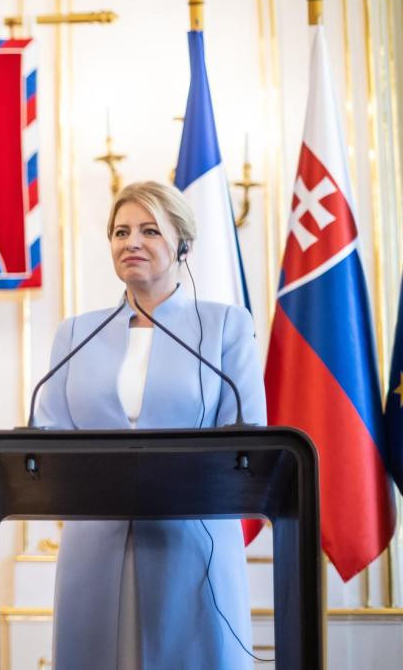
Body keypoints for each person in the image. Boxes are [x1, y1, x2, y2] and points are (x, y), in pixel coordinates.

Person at [33, 180, 265, 670]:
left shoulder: (225, 326)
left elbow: (248, 439)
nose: (130, 242)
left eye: (148, 231)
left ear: (182, 244)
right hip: (95, 544)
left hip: (193, 542)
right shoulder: (76, 332)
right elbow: (47, 433)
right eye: (120, 232)